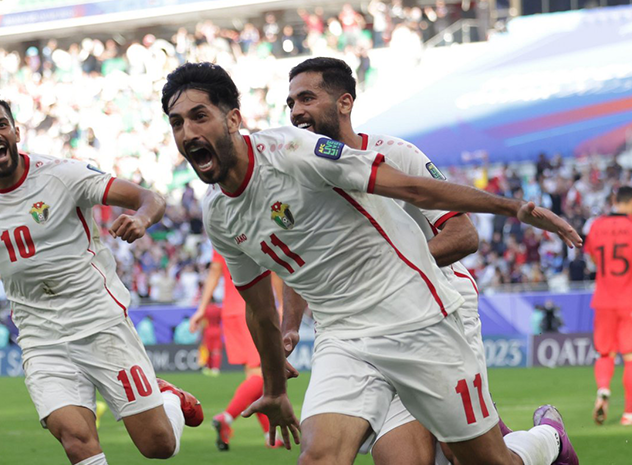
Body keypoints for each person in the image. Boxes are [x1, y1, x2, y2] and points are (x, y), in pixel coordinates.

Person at [161, 62, 581, 464]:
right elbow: (262, 304)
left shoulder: (296, 151)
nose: (187, 131)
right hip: (342, 337)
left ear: (233, 119)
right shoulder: (217, 213)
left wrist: (514, 208)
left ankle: (548, 440)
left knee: (483, 459)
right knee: (320, 457)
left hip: (416, 319)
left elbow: (416, 190)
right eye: (177, 123)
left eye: (199, 116)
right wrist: (274, 387)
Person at [0, 90, 202, 465]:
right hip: (40, 337)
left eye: (1, 125)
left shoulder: (63, 175)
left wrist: (142, 219)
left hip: (99, 323)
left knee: (157, 446)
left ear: (16, 131)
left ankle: (169, 400)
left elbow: (150, 197)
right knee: (76, 440)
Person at [281, 56, 513, 465]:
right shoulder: (295, 178)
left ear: (344, 103)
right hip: (355, 325)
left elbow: (463, 235)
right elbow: (297, 261)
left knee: (460, 454)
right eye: (291, 103)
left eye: (307, 98)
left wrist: (387, 270)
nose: (296, 111)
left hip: (437, 308)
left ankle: (543, 442)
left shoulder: (395, 154)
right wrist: (288, 329)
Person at [188, 250, 279, 450]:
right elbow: (275, 267)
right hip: (254, 307)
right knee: (261, 376)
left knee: (253, 377)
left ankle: (269, 437)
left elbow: (215, 270)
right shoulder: (254, 224)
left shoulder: (220, 224)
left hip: (230, 311)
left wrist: (202, 308)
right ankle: (226, 418)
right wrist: (281, 306)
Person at [583, 185, 632, 426]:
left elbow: (592, 257)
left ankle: (603, 390)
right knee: (631, 357)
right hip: (629, 299)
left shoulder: (597, 225)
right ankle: (629, 414)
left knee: (605, 353)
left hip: (603, 298)